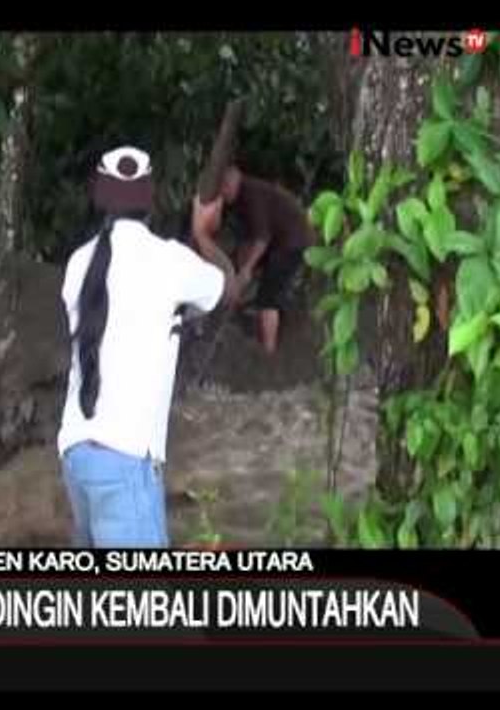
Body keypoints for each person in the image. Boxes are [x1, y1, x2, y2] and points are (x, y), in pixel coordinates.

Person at [57, 146, 227, 548]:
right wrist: (203, 233)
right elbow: (226, 286)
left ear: (100, 196)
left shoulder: (78, 264)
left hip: (76, 454)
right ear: (151, 199)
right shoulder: (168, 261)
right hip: (126, 460)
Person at [219, 166, 315, 355]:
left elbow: (262, 238)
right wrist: (241, 271)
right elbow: (250, 239)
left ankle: (267, 352)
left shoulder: (251, 195)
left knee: (268, 297)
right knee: (251, 266)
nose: (222, 196)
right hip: (282, 238)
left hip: (293, 241)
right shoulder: (243, 196)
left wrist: (246, 269)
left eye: (223, 190)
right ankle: (240, 311)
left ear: (231, 184)